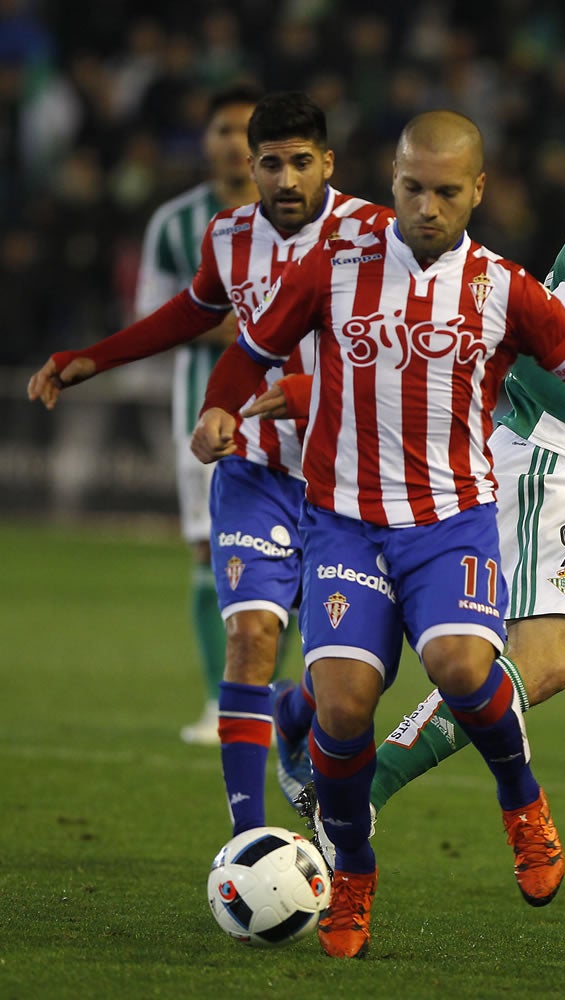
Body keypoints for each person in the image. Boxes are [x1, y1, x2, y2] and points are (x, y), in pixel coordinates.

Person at [191, 109, 565, 960]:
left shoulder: (500, 279)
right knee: (509, 670)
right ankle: (363, 807)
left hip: (490, 498)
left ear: (476, 192)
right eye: (413, 188)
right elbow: (532, 368)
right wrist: (220, 408)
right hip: (531, 467)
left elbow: (543, 357)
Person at [27, 91, 394, 837]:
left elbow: (402, 350)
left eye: (301, 163)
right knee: (252, 636)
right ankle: (249, 842)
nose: (286, 180)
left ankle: (295, 715)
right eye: (271, 165)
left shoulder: (377, 235)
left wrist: (303, 390)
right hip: (255, 473)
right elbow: (190, 313)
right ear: (250, 169)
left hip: (350, 479)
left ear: (327, 162)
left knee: (341, 689)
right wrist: (87, 359)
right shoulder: (228, 236)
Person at [135, 82, 262, 745]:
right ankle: (222, 703)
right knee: (207, 550)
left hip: (293, 411)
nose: (233, 143)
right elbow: (153, 318)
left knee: (288, 557)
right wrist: (238, 325)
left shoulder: (303, 219)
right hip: (202, 407)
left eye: (246, 130)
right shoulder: (176, 222)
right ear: (206, 140)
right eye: (221, 129)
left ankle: (259, 693)